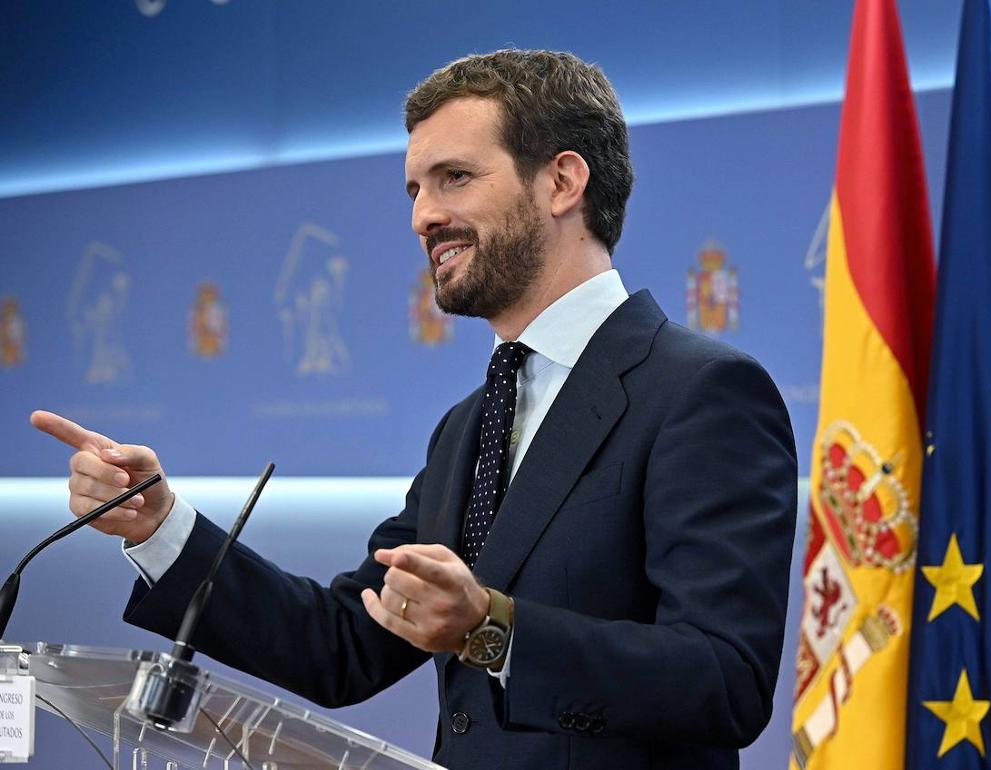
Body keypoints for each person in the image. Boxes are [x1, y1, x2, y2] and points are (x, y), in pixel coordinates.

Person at [32, 49, 797, 770]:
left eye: (455, 177)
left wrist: (492, 630)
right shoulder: (469, 423)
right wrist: (160, 527)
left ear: (562, 182)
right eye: (415, 190)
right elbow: (344, 644)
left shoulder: (700, 391)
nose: (422, 217)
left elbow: (725, 679)